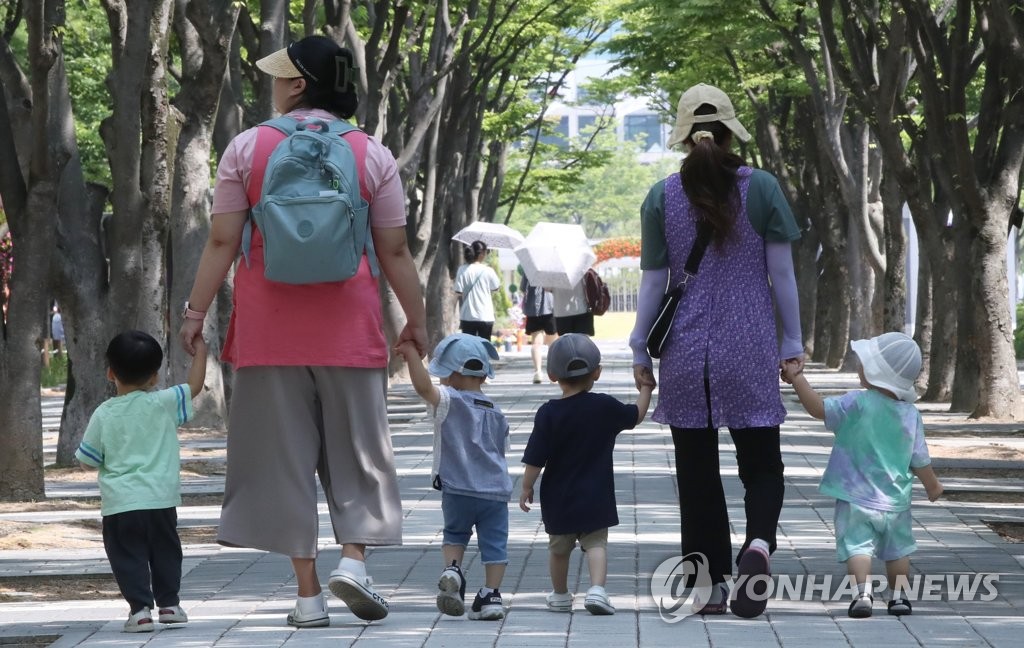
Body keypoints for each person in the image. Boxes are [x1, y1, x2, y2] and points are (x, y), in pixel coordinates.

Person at [178, 35, 427, 627]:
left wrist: (195, 314)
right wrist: (416, 325)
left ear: (298, 85)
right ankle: (356, 563)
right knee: (360, 453)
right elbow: (393, 250)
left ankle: (308, 598)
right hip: (353, 330)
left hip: (268, 333)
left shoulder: (246, 148)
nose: (273, 82)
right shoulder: (371, 154)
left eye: (280, 74)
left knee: (282, 462)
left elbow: (221, 240)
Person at [628, 83, 804, 618]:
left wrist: (639, 348)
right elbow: (781, 274)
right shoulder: (763, 188)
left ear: (684, 136)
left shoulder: (661, 196)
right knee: (761, 465)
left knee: (697, 475)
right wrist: (791, 342)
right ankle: (758, 544)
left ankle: (708, 586)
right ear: (731, 132)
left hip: (685, 353)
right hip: (749, 347)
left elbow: (654, 283)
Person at [781, 332, 943, 618]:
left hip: (855, 498)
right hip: (895, 502)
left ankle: (862, 595)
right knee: (898, 552)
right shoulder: (910, 415)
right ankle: (899, 598)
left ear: (874, 374)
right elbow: (919, 459)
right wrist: (932, 485)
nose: (859, 368)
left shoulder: (857, 403)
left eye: (864, 364)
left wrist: (798, 380)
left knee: (857, 548)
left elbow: (818, 409)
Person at [75, 330, 207, 632]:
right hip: (161, 499)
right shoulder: (164, 403)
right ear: (155, 377)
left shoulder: (103, 414)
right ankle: (170, 605)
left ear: (110, 372)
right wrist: (200, 351)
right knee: (166, 551)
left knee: (127, 556)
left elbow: (87, 459)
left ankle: (140, 610)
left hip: (120, 504)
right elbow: (195, 386)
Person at [519, 334, 653, 615]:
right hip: (596, 494)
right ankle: (597, 590)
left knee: (558, 549)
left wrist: (526, 487)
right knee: (596, 545)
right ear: (598, 372)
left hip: (559, 498)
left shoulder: (548, 413)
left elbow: (535, 458)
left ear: (552, 375)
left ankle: (559, 595)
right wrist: (646, 390)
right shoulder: (604, 406)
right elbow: (635, 416)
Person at [395, 333, 512, 621]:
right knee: (495, 544)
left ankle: (454, 570)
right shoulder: (497, 412)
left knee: (455, 534)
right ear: (484, 376)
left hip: (458, 488)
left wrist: (411, 355)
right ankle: (491, 596)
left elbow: (424, 388)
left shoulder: (450, 401)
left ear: (453, 374)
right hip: (495, 493)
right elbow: (501, 450)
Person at [453, 240, 501, 340]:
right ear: (482, 253)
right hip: (485, 315)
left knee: (469, 346)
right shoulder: (488, 270)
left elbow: (458, 291)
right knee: (484, 346)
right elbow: (496, 287)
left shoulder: (462, 270)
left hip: (467, 315)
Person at [520, 273, 556, 383]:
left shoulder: (529, 269)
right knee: (553, 344)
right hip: (550, 308)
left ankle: (538, 372)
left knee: (536, 343)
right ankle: (554, 374)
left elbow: (522, 288)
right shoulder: (551, 269)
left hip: (533, 309)